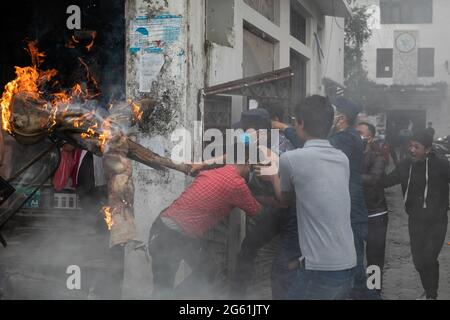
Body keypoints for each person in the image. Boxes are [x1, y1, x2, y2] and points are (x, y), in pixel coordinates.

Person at [148, 143, 268, 299]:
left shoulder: (211, 173)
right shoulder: (237, 184)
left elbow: (233, 157)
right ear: (246, 161)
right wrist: (272, 187)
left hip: (163, 227)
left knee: (171, 285)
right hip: (176, 235)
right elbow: (258, 213)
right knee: (205, 275)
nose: (250, 170)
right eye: (251, 166)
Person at [266, 95, 356, 300]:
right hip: (348, 261)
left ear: (301, 123)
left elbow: (285, 201)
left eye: (294, 121)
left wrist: (273, 176)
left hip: (322, 269)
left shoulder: (291, 159)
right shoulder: (342, 159)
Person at [230, 106, 301, 300]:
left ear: (262, 131)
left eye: (247, 131)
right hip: (277, 208)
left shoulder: (284, 147)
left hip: (297, 212)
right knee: (249, 246)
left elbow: (291, 193)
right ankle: (235, 298)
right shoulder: (248, 146)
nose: (244, 135)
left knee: (285, 266)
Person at [382, 130, 449, 300]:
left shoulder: (441, 165)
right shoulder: (405, 165)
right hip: (415, 220)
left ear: (427, 149)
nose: (411, 150)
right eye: (410, 145)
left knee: (428, 258)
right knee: (419, 261)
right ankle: (429, 290)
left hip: (437, 221)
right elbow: (387, 181)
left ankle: (432, 295)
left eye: (416, 147)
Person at [328, 96, 370, 299]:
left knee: (354, 272)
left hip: (350, 212)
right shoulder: (351, 136)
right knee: (354, 269)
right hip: (353, 210)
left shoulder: (342, 140)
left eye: (332, 112)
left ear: (341, 118)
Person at [357, 122, 388, 296]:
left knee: (374, 257)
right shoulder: (349, 155)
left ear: (370, 138)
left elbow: (374, 179)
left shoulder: (378, 157)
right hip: (356, 213)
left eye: (361, 133)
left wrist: (350, 174)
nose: (357, 136)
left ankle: (374, 291)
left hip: (376, 213)